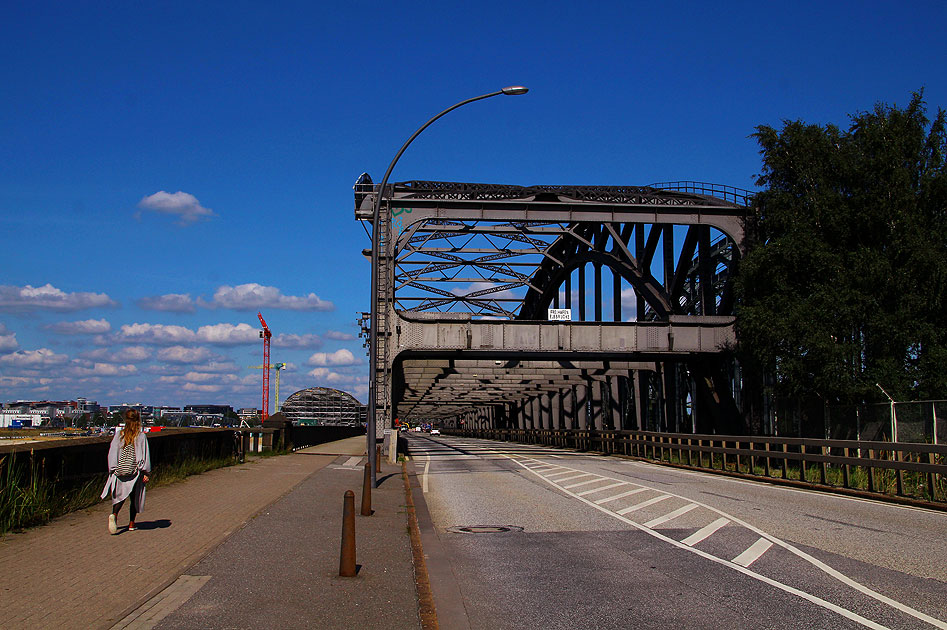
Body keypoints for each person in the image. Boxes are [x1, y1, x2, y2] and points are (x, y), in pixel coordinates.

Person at [101, 409, 151, 534]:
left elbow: (112, 453)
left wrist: (113, 469)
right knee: (134, 497)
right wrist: (146, 472)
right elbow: (145, 456)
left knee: (119, 497)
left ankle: (114, 514)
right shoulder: (141, 436)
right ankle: (131, 524)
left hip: (120, 471)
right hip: (134, 472)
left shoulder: (119, 435)